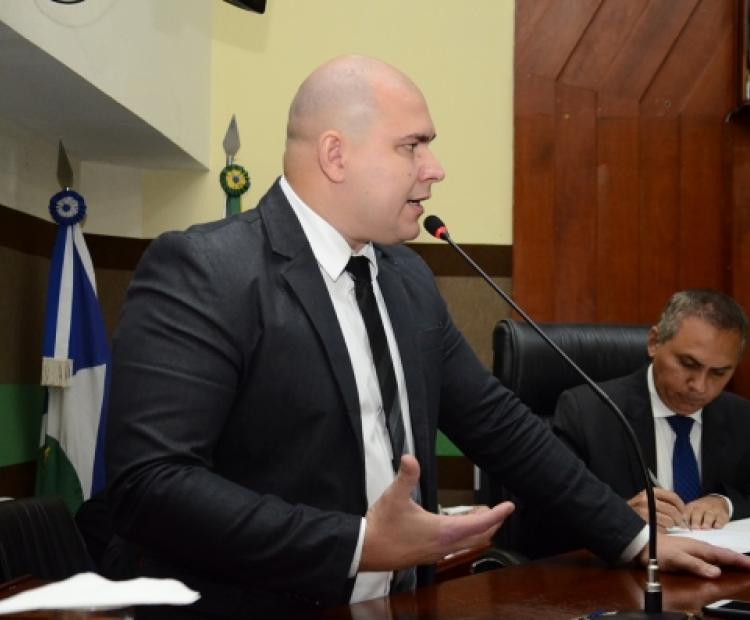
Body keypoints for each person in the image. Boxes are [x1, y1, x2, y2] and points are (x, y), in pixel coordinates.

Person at [105, 56, 750, 617]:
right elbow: (151, 483)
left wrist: (634, 539)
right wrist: (357, 544)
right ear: (336, 154)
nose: (434, 169)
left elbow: (500, 425)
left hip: (402, 604)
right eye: (412, 146)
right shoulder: (206, 270)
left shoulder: (406, 277)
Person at [553, 290, 750, 533]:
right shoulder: (588, 413)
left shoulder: (741, 416)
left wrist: (726, 504)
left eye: (718, 373)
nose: (699, 386)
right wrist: (620, 515)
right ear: (654, 342)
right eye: (688, 364)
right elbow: (545, 515)